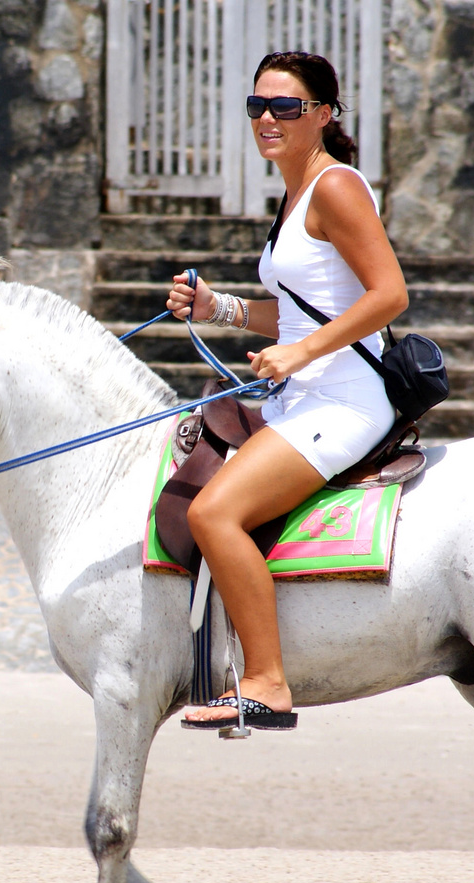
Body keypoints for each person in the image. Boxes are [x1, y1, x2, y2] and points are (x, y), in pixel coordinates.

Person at [167, 51, 408, 729]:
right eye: (257, 107)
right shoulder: (297, 189)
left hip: (344, 401)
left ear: (324, 115)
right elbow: (305, 309)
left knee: (213, 513)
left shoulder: (336, 187)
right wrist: (219, 308)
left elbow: (389, 294)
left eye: (285, 108)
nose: (267, 119)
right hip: (301, 398)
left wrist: (301, 351)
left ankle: (268, 683)